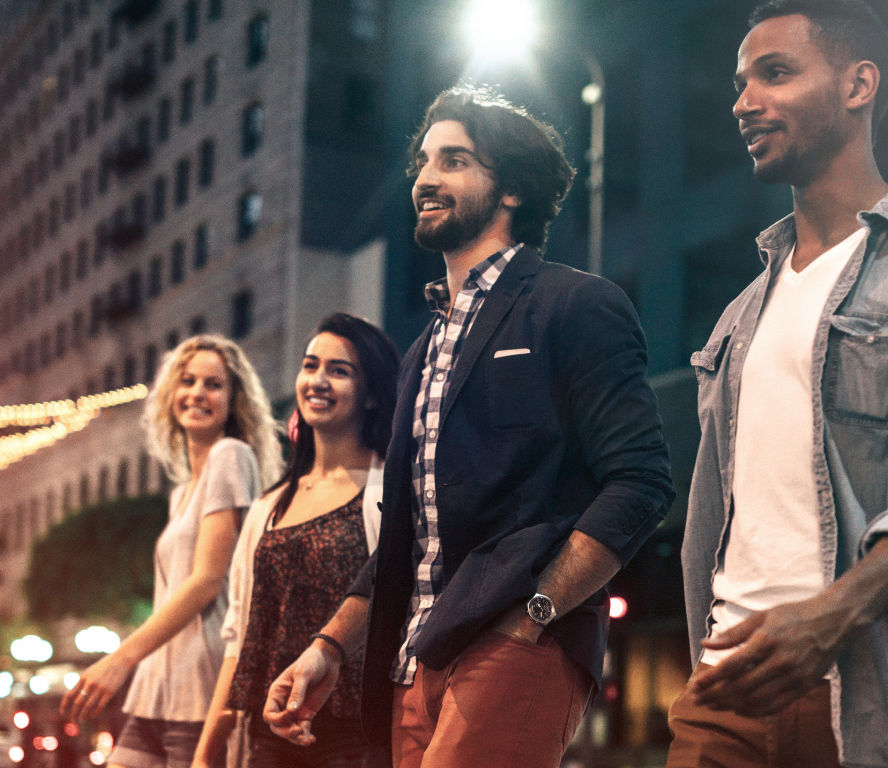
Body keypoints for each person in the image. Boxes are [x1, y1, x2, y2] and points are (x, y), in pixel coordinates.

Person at [262, 86, 674, 768]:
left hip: (511, 643)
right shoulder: (424, 349)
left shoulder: (575, 305)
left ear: (510, 187)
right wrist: (328, 647)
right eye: (424, 161)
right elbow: (406, 535)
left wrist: (535, 615)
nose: (426, 178)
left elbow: (641, 481)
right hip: (410, 658)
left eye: (454, 160)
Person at [666, 2, 888, 766]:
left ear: (859, 84)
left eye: (776, 73)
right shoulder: (740, 315)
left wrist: (834, 613)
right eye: (739, 82)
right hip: (724, 687)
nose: (742, 102)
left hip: (860, 694)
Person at [59, 334, 282, 768]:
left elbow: (207, 580)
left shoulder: (230, 456)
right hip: (155, 686)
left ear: (234, 401)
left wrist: (120, 658)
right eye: (188, 380)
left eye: (213, 384)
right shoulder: (181, 493)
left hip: (200, 687)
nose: (197, 392)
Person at [190, 313, 400, 768]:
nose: (318, 380)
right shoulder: (269, 507)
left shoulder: (390, 494)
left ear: (372, 395)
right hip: (269, 736)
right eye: (310, 366)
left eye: (339, 371)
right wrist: (206, 753)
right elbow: (241, 639)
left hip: (360, 738)